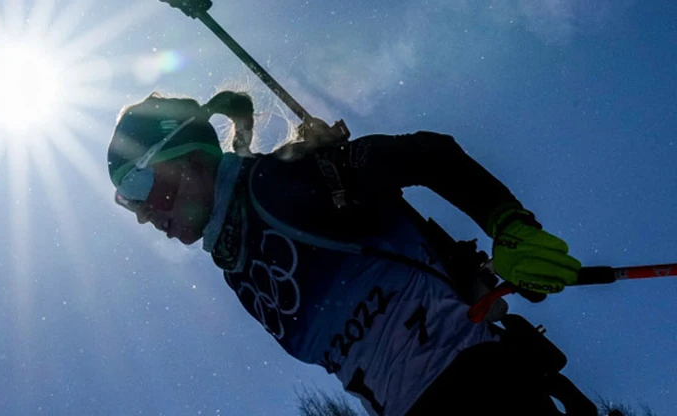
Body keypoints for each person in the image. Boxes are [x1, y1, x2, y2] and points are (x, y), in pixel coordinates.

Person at [106, 90, 588, 416]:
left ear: (191, 156)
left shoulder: (280, 180)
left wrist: (510, 226)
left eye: (140, 182)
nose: (144, 213)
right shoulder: (236, 269)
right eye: (128, 201)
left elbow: (428, 153)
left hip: (482, 386)